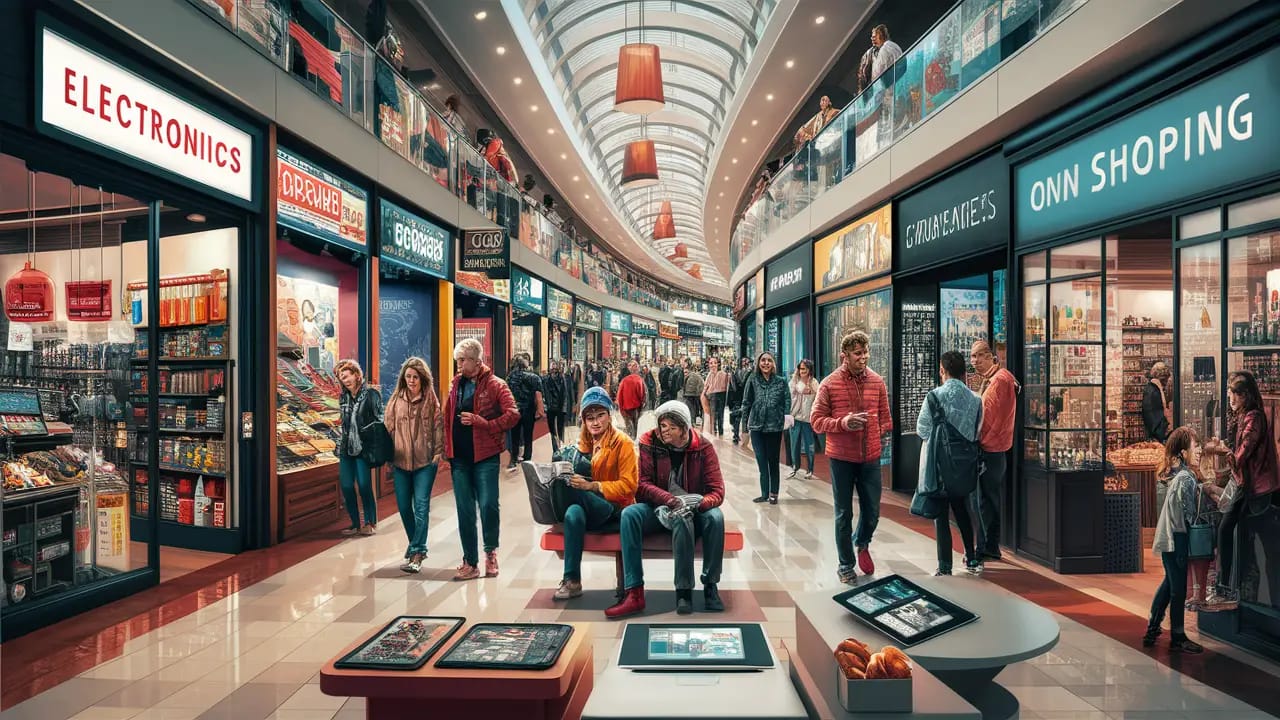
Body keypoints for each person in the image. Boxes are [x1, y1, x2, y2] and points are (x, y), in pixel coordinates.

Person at [613, 401, 726, 618]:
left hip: (696, 509)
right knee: (629, 514)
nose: (664, 431)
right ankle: (634, 590)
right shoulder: (649, 442)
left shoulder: (703, 447)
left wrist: (697, 503)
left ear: (684, 428)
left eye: (671, 427)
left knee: (716, 517)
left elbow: (718, 491)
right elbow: (642, 484)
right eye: (662, 425)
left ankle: (708, 586)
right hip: (659, 506)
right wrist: (671, 501)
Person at [811, 331, 893, 584]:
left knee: (873, 511)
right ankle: (845, 564)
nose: (864, 357)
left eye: (866, 352)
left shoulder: (877, 382)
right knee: (843, 513)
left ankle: (862, 541)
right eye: (858, 353)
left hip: (870, 458)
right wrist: (843, 423)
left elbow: (886, 418)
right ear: (844, 356)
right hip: (841, 459)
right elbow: (816, 421)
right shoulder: (829, 383)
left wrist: (879, 433)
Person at [444, 338, 520, 581]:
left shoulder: (497, 385)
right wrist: (446, 449)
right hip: (460, 458)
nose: (458, 364)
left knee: (488, 505)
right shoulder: (455, 384)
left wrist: (484, 423)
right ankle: (470, 561)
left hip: (485, 455)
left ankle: (490, 552)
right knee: (464, 509)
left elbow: (513, 414)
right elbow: (447, 417)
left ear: (477, 361)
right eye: (457, 359)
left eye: (462, 360)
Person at [553, 388, 638, 601]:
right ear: (583, 420)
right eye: (589, 418)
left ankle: (553, 510)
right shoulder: (580, 446)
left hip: (615, 511)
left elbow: (629, 486)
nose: (595, 422)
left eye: (600, 415)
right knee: (573, 512)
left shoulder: (622, 443)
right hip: (588, 511)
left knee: (567, 489)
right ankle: (572, 580)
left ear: (610, 415)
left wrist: (593, 486)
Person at [1207, 370, 1280, 606]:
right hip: (1248, 485)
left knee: (1227, 529)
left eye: (1235, 393)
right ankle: (1235, 588)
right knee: (1241, 537)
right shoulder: (1245, 416)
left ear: (1246, 395)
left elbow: (1244, 450)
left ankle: (1225, 586)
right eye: (1230, 392)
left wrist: (1225, 454)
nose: (1231, 397)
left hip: (1255, 488)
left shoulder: (1254, 417)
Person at [917, 351, 983, 577]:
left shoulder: (934, 396)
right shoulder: (976, 399)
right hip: (965, 464)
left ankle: (944, 566)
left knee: (941, 514)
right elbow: (977, 431)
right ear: (965, 373)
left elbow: (922, 428)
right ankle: (972, 558)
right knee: (963, 509)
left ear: (942, 371)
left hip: (938, 464)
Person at [1144, 427, 1209, 654]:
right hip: (1177, 538)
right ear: (1183, 453)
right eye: (1196, 446)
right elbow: (1190, 514)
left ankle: (1153, 628)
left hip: (1169, 537)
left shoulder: (1178, 476)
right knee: (1178, 589)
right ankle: (1178, 636)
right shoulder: (1186, 478)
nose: (1200, 450)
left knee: (1170, 584)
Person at [383, 357, 444, 573]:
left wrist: (438, 453)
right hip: (400, 462)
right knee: (403, 506)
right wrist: (388, 456)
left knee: (421, 506)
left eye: (415, 377)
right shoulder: (395, 400)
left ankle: (417, 552)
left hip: (425, 461)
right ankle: (414, 546)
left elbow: (438, 426)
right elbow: (388, 429)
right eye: (408, 377)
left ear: (422, 378)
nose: (411, 380)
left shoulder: (430, 400)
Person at [970, 341, 1019, 561]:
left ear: (992, 357)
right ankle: (989, 546)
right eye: (972, 357)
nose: (976, 361)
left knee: (986, 501)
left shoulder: (1000, 380)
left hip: (991, 450)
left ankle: (988, 547)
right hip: (992, 448)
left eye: (980, 356)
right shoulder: (996, 379)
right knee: (987, 500)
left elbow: (987, 416)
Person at [336, 359, 382, 536]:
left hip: (364, 447)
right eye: (341, 378)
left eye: (347, 376)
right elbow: (344, 423)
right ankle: (355, 523)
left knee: (364, 485)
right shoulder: (343, 397)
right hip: (346, 447)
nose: (345, 380)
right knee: (347, 485)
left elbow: (379, 419)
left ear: (356, 375)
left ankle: (370, 522)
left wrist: (375, 443)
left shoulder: (371, 394)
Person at [740, 352, 790, 505]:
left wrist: (785, 416)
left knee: (773, 461)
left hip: (774, 427)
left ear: (773, 363)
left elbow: (786, 400)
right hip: (756, 427)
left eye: (769, 360)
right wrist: (744, 428)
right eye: (763, 360)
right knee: (761, 461)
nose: (766, 363)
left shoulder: (781, 381)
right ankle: (764, 493)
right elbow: (746, 403)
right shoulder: (753, 379)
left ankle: (774, 493)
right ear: (758, 363)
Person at [505, 355, 543, 471]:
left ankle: (513, 459)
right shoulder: (534, 377)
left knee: (514, 435)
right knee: (528, 435)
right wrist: (540, 410)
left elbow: (506, 395)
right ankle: (527, 458)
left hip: (515, 409)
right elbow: (538, 396)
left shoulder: (509, 377)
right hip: (529, 409)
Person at [788, 359, 820, 480]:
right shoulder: (794, 381)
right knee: (794, 443)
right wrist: (799, 388)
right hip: (795, 417)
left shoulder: (814, 382)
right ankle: (795, 467)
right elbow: (790, 393)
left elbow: (817, 398)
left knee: (809, 445)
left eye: (804, 369)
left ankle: (810, 469)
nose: (802, 371)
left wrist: (810, 391)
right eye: (800, 368)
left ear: (809, 370)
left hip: (808, 418)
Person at [858, 24, 903, 92]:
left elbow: (879, 72)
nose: (872, 39)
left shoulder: (886, 47)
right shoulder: (891, 46)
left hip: (892, 89)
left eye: (874, 37)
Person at [542, 361, 573, 453]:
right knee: (551, 428)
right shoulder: (545, 379)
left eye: (555, 368)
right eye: (552, 367)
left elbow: (565, 394)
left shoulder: (563, 379)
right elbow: (543, 393)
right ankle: (554, 446)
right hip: (550, 406)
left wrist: (564, 408)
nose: (554, 369)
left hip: (559, 406)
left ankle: (560, 443)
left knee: (560, 427)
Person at [1143, 362, 1173, 442]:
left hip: (1154, 433)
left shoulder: (1151, 388)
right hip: (1157, 434)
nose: (1167, 383)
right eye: (1166, 379)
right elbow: (1154, 416)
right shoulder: (1154, 391)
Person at [617, 360, 647, 439]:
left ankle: (629, 441)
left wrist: (620, 408)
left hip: (625, 408)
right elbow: (642, 395)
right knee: (635, 425)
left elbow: (619, 396)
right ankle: (633, 440)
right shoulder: (639, 380)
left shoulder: (624, 380)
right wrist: (642, 406)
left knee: (628, 427)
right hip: (635, 408)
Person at [702, 356, 729, 436]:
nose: (713, 365)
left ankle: (720, 432)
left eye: (715, 363)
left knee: (720, 414)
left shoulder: (723, 374)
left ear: (718, 364)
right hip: (711, 396)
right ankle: (713, 431)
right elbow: (705, 387)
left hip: (721, 395)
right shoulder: (709, 375)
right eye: (711, 363)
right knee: (712, 414)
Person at [728, 357, 751, 445]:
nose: (745, 362)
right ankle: (737, 436)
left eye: (746, 361)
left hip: (744, 397)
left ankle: (741, 436)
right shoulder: (738, 372)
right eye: (744, 361)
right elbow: (736, 385)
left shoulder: (747, 372)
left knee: (743, 417)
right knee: (739, 417)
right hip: (739, 397)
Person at [682, 359, 705, 428]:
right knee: (694, 409)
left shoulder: (690, 375)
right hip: (695, 394)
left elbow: (684, 384)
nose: (685, 374)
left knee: (691, 408)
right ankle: (693, 422)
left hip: (690, 394)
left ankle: (692, 422)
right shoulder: (697, 375)